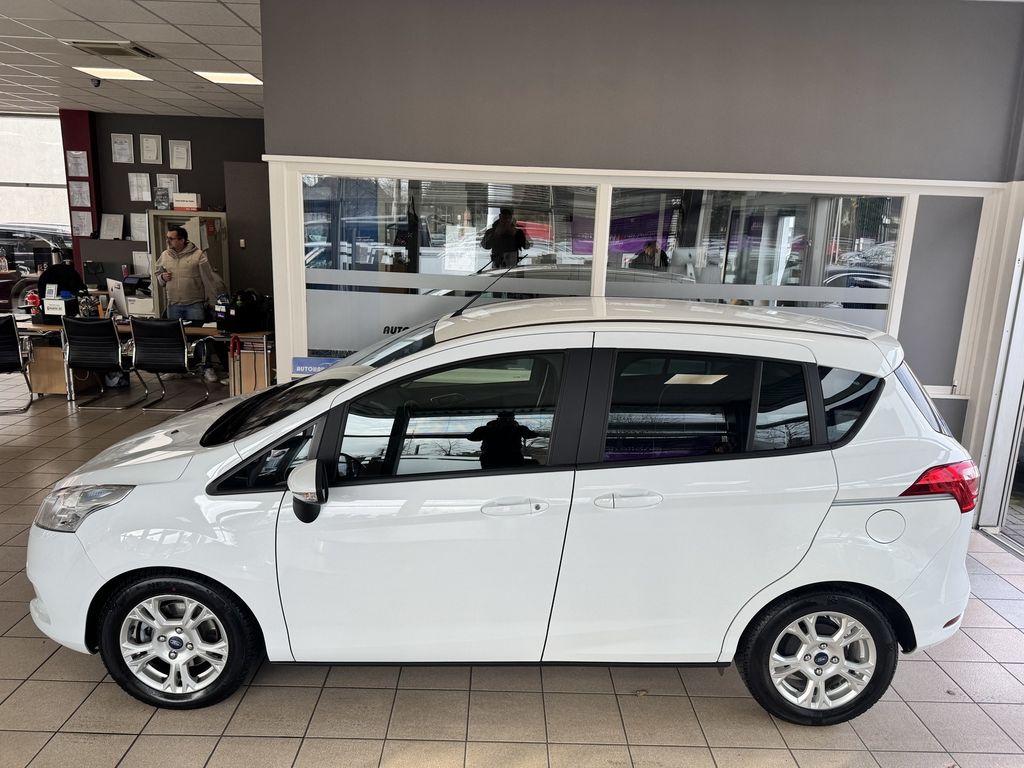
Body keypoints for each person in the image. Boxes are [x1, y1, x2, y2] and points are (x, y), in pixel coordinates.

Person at [156, 226, 227, 383]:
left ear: (182, 240)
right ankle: (177, 369)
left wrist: (212, 303)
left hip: (194, 304)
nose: (168, 241)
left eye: (171, 238)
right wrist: (162, 277)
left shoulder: (198, 255)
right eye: (167, 238)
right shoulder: (165, 255)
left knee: (200, 338)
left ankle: (207, 367)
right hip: (174, 304)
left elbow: (208, 280)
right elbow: (157, 274)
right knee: (176, 338)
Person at [468, 410, 538, 469]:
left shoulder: (485, 429)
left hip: (490, 459)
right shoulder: (519, 429)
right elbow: (531, 435)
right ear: (513, 419)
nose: (507, 421)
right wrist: (537, 433)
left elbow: (472, 437)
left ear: (498, 419)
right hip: (513, 458)